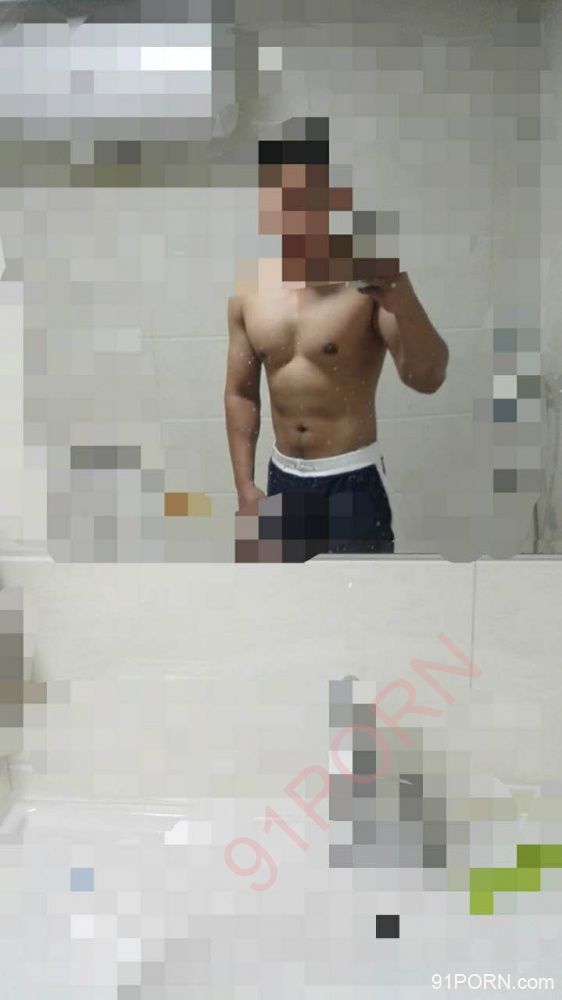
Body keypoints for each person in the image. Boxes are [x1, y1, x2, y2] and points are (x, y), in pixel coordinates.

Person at [224, 119, 449, 556]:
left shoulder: (369, 283)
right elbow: (240, 393)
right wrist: (244, 486)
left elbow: (427, 378)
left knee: (360, 598)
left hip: (352, 480)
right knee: (284, 594)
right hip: (283, 477)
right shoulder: (249, 293)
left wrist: (405, 301)